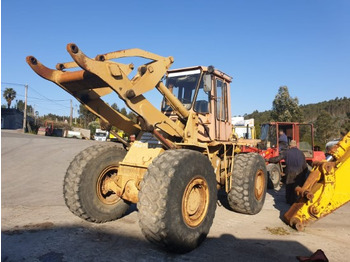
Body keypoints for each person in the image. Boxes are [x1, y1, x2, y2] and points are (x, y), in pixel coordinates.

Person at [268, 140, 308, 205]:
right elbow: (304, 165)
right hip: (300, 172)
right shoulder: (301, 153)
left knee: (289, 187)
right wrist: (304, 174)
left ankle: (289, 201)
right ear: (296, 145)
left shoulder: (286, 152)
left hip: (290, 172)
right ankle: (297, 200)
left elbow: (277, 159)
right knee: (298, 187)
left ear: (290, 146)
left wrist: (268, 160)